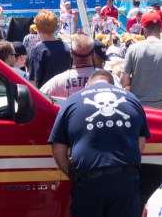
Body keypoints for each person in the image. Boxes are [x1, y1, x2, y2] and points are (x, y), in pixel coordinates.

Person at [49, 70, 149, 217]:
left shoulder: (72, 101)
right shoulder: (131, 99)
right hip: (126, 180)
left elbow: (58, 149)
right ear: (112, 85)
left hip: (89, 181)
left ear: (87, 85)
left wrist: (73, 175)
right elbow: (140, 141)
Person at [121, 12, 162, 109]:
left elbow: (124, 81)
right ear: (161, 29)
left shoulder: (133, 49)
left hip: (138, 107)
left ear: (144, 29)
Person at [41, 35, 116, 99]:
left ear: (71, 54)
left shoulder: (56, 82)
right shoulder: (109, 79)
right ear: (93, 55)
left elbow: (39, 99)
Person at [27, 10, 71, 88]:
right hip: (65, 93)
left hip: (45, 96)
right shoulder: (66, 47)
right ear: (55, 28)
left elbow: (33, 81)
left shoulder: (37, 50)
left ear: (37, 28)